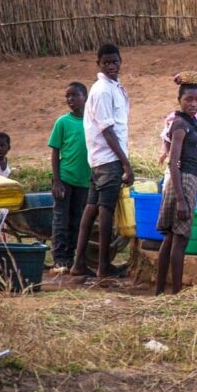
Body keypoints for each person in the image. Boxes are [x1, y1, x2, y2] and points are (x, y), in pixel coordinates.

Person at [70, 44, 132, 280]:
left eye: (115, 62)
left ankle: (79, 263)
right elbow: (107, 130)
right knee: (106, 211)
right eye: (106, 62)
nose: (112, 66)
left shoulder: (111, 87)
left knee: (92, 207)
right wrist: (125, 163)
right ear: (99, 64)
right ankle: (103, 267)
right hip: (108, 159)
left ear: (120, 61)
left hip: (100, 159)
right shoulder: (103, 90)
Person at [156, 73, 197, 295]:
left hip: (186, 180)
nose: (194, 104)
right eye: (188, 99)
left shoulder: (190, 124)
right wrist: (182, 199)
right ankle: (175, 293)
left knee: (170, 239)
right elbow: (174, 162)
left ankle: (159, 291)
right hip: (182, 182)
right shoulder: (180, 124)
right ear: (180, 100)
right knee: (180, 240)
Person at [48, 84, 90, 270]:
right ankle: (58, 257)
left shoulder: (92, 121)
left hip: (85, 180)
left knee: (77, 220)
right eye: (67, 96)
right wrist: (56, 181)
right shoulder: (62, 122)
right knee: (60, 219)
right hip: (65, 178)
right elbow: (55, 152)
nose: (70, 100)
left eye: (75, 95)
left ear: (85, 97)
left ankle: (71, 257)